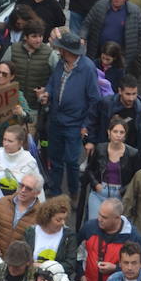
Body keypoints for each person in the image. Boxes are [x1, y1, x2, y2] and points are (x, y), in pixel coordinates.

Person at [37, 32, 101, 198]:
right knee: (55, 159)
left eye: (61, 48)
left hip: (74, 123)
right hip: (56, 119)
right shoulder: (61, 63)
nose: (59, 50)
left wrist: (86, 124)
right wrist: (47, 94)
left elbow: (95, 99)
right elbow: (52, 83)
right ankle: (55, 190)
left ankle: (74, 192)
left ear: (68, 51)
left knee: (72, 161)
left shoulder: (87, 68)